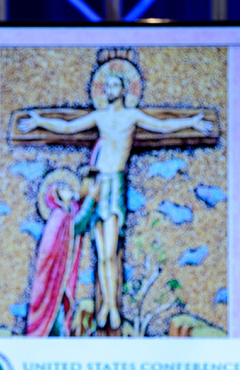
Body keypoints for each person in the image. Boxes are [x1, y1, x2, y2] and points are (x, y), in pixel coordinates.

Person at [18, 71, 212, 330]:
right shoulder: (99, 117)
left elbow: (162, 125)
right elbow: (67, 126)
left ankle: (112, 306)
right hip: (98, 184)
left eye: (115, 86)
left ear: (124, 90)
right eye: (106, 86)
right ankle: (105, 308)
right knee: (101, 254)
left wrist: (192, 122)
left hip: (114, 185)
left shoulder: (132, 116)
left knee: (110, 252)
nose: (110, 90)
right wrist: (39, 120)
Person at [26, 169, 97, 337]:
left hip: (57, 277)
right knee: (53, 314)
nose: (69, 191)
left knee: (58, 311)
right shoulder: (58, 217)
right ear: (56, 196)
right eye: (63, 189)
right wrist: (92, 199)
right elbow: (77, 225)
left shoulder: (64, 216)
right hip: (50, 279)